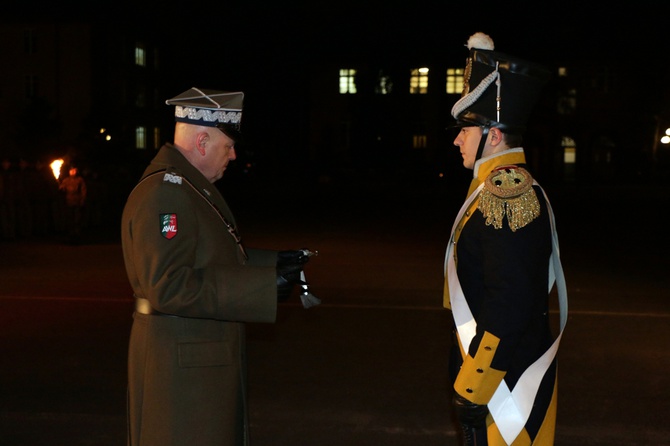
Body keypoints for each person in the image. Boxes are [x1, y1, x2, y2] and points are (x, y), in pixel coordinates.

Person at [120, 87, 319, 446]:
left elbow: (213, 255)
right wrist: (261, 287)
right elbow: (168, 284)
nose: (233, 154)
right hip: (181, 371)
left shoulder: (188, 187)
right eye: (227, 145)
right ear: (201, 142)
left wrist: (274, 264)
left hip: (194, 361)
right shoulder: (167, 192)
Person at [443, 33, 568, 445]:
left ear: (493, 136)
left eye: (467, 129)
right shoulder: (493, 187)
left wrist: (475, 387)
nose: (457, 139)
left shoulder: (506, 193)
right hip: (501, 374)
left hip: (506, 385)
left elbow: (508, 302)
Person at [58, 165, 87, 244]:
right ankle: (70, 235)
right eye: (71, 170)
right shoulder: (66, 180)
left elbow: (83, 191)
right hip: (69, 202)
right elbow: (62, 188)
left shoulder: (80, 180)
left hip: (77, 202)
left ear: (76, 171)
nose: (73, 172)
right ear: (69, 171)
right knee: (70, 219)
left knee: (77, 219)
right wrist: (61, 188)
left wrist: (82, 200)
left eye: (74, 170)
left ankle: (77, 235)